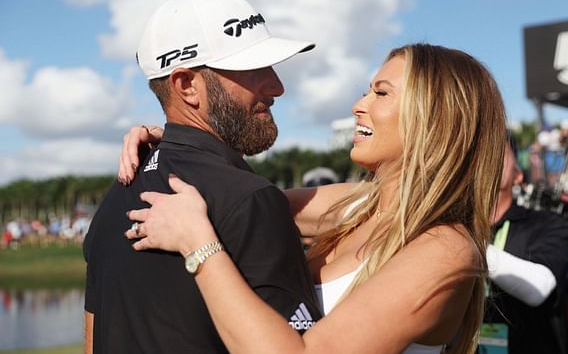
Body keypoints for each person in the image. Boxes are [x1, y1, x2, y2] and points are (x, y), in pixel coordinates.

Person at [119, 43, 507, 353]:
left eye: (381, 93)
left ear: (436, 117)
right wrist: (177, 144)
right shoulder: (360, 204)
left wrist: (199, 248)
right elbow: (239, 204)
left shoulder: (446, 250)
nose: (359, 105)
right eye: (365, 90)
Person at [83, 0, 322, 353]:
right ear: (187, 86)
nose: (277, 86)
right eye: (253, 69)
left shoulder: (114, 201)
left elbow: (93, 343)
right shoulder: (252, 200)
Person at [480, 135, 568, 354]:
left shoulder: (546, 223)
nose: (489, 157)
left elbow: (538, 288)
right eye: (482, 151)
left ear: (518, 175)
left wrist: (464, 245)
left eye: (499, 152)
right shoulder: (457, 224)